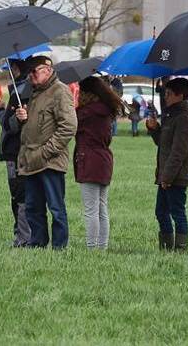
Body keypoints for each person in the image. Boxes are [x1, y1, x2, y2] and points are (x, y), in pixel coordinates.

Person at [15, 55, 78, 250]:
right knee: (33, 208)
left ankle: (59, 248)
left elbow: (69, 126)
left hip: (50, 161)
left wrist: (46, 152)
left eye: (34, 71)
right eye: (28, 72)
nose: (30, 76)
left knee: (56, 208)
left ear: (47, 69)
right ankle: (38, 244)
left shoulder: (60, 91)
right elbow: (35, 126)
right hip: (31, 160)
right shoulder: (34, 93)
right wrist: (22, 118)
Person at [147, 78, 188, 251]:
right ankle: (166, 248)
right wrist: (154, 128)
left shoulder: (184, 119)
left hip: (177, 176)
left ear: (180, 95)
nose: (165, 97)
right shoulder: (171, 116)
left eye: (169, 94)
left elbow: (179, 153)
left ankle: (180, 249)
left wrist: (167, 177)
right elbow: (163, 143)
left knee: (177, 213)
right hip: (166, 175)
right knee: (161, 212)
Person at [74, 76, 124, 250]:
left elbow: (70, 125)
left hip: (89, 160)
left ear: (87, 93)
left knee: (90, 209)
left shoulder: (85, 113)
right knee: (102, 208)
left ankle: (92, 247)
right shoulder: (106, 110)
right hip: (104, 160)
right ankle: (101, 247)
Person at [0, 60, 32, 247]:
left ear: (17, 69)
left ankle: (23, 237)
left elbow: (8, 126)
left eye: (11, 68)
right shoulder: (17, 92)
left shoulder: (22, 93)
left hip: (16, 153)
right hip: (15, 152)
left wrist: (16, 120)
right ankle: (21, 234)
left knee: (19, 197)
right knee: (19, 196)